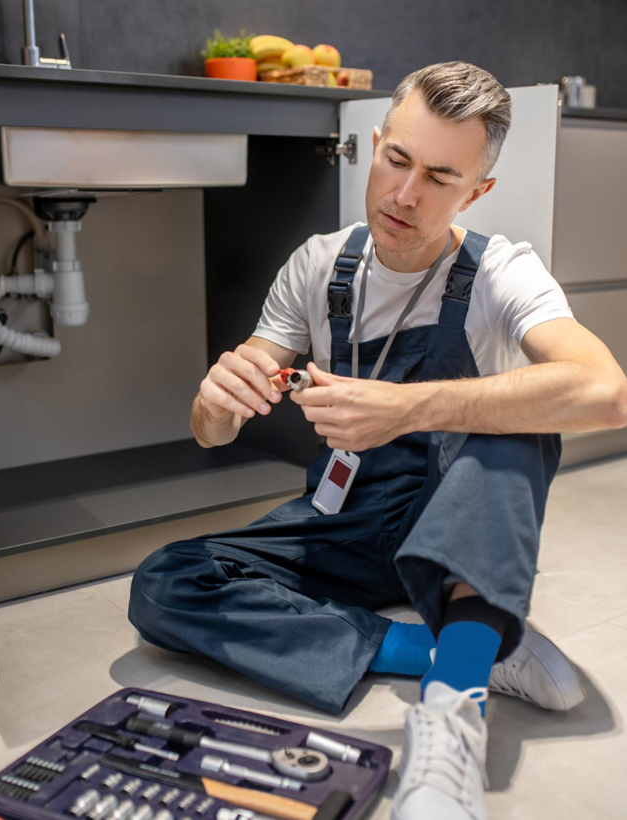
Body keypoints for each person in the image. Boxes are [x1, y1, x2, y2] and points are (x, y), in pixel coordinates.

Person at [129, 61, 627, 820]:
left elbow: (603, 391)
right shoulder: (317, 265)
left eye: (437, 176)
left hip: (447, 520)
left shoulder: (500, 272)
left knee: (518, 424)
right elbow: (215, 428)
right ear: (372, 144)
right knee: (167, 581)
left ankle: (451, 714)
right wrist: (215, 403)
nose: (404, 195)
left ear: (475, 192)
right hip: (342, 518)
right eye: (397, 160)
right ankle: (467, 643)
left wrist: (406, 408)